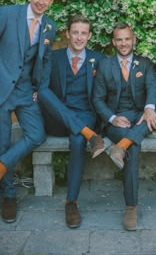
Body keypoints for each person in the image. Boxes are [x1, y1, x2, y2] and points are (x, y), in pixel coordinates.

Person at [93, 21, 156, 231]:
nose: (124, 43)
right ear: (113, 42)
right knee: (134, 146)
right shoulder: (105, 65)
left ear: (133, 40)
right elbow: (97, 99)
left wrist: (149, 107)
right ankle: (131, 206)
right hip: (117, 120)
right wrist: (112, 118)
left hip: (141, 115)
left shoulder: (144, 63)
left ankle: (122, 145)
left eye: (127, 39)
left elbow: (152, 86)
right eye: (119, 39)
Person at [38, 14, 106, 228]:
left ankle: (71, 202)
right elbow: (42, 87)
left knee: (77, 140)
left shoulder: (99, 59)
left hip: (84, 114)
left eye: (83, 33)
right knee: (42, 91)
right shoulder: (54, 57)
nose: (78, 37)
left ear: (90, 36)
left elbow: (106, 93)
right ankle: (89, 134)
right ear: (67, 33)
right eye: (75, 32)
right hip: (57, 118)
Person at [0, 0, 57, 223]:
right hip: (1, 91)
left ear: (51, 1)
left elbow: (44, 61)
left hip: (25, 92)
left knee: (37, 134)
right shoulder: (7, 14)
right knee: (1, 144)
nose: (41, 2)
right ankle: (9, 196)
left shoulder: (49, 26)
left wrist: (39, 88)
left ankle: (1, 165)